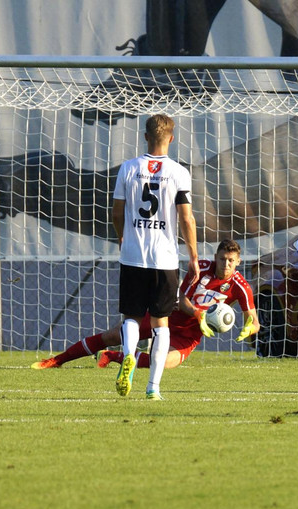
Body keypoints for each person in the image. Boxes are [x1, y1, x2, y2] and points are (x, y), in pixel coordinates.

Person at [34, 239, 258, 374]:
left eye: (231, 260)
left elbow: (254, 321)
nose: (226, 264)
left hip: (190, 333)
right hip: (166, 315)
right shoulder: (200, 268)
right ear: (215, 257)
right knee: (112, 334)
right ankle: (56, 361)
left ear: (238, 261)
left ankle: (113, 357)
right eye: (222, 259)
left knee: (165, 364)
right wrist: (198, 314)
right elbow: (180, 296)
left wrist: (248, 329)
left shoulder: (241, 286)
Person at [110, 114, 199, 400]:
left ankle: (128, 355)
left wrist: (122, 237)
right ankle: (153, 388)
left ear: (145, 137)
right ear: (171, 139)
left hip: (133, 256)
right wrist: (194, 257)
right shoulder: (178, 172)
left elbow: (116, 212)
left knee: (132, 318)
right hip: (164, 260)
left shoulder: (128, 168)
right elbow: (186, 219)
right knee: (161, 324)